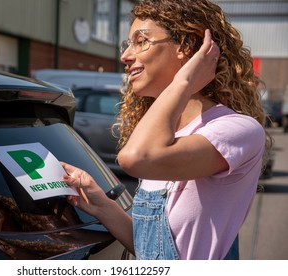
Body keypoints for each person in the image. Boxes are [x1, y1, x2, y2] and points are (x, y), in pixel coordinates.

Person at [61, 0, 272, 260]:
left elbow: (136, 157)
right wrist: (101, 205)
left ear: (185, 46)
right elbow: (151, 252)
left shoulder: (236, 130)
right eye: (127, 45)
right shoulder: (165, 134)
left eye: (141, 41)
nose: (125, 56)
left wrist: (185, 79)